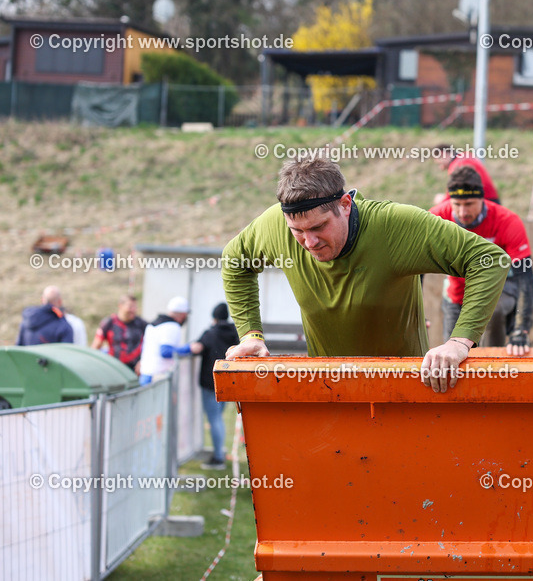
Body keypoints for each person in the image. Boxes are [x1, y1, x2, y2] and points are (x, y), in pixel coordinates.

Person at [221, 156, 508, 393]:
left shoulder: (395, 226)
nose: (309, 242)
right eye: (298, 231)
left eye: (319, 227)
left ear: (345, 205)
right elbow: (235, 260)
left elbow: (490, 260)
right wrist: (250, 335)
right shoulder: (274, 225)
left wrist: (459, 341)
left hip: (406, 391)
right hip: (330, 391)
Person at [429, 166, 533, 356]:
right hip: (456, 293)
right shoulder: (436, 218)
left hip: (499, 288)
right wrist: (416, 315)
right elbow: (414, 271)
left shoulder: (506, 221)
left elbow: (525, 277)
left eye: (469, 204)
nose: (462, 212)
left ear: (482, 198)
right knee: (450, 355)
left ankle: (495, 365)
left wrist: (522, 328)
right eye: (457, 204)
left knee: (493, 313)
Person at [191, 303, 237, 470]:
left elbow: (196, 348)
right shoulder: (235, 333)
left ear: (214, 318)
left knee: (214, 419)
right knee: (219, 418)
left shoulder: (210, 333)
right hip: (228, 382)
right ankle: (219, 452)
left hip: (211, 383)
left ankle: (218, 457)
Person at [138, 297, 192, 384]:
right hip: (157, 378)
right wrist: (189, 348)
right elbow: (165, 352)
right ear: (183, 314)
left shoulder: (153, 324)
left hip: (146, 374)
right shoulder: (172, 326)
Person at [92, 295, 148, 372]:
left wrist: (143, 362)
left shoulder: (141, 323)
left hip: (135, 369)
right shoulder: (109, 322)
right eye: (130, 307)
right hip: (114, 368)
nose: (133, 310)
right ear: (120, 306)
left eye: (135, 307)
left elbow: (151, 344)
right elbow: (96, 346)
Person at [432, 143, 500, 205]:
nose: (441, 168)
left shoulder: (457, 165)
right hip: (491, 199)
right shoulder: (465, 156)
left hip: (483, 202)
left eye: (439, 164)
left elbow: (453, 192)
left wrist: (441, 202)